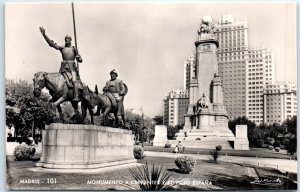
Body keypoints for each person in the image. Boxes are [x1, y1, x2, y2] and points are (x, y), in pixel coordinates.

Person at [39, 27, 83, 102]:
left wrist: (78, 58)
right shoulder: (62, 48)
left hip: (72, 69)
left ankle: (76, 96)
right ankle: (56, 95)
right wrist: (44, 35)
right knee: (58, 82)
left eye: (68, 39)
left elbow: (80, 59)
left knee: (75, 81)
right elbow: (52, 44)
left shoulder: (73, 48)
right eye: (65, 39)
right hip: (64, 69)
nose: (66, 40)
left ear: (71, 40)